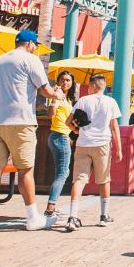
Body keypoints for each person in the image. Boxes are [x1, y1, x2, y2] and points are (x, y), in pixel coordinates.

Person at [0, 29, 64, 236]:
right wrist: (57, 95)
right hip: (21, 121)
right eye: (35, 46)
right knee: (25, 170)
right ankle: (33, 217)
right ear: (31, 44)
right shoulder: (30, 60)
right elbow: (44, 89)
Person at [63, 74, 122, 231]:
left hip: (83, 144)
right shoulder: (111, 102)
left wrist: (76, 129)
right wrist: (119, 148)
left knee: (79, 180)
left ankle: (72, 217)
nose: (88, 88)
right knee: (104, 180)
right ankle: (104, 216)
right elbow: (114, 126)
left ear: (95, 86)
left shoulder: (83, 100)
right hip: (103, 144)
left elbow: (68, 122)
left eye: (89, 85)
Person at [44, 71, 76, 219]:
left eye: (69, 80)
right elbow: (51, 114)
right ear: (58, 81)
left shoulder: (67, 99)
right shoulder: (57, 95)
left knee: (62, 172)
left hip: (61, 136)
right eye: (63, 80)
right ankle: (50, 207)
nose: (66, 83)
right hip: (58, 136)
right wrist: (54, 99)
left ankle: (52, 206)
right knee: (63, 173)